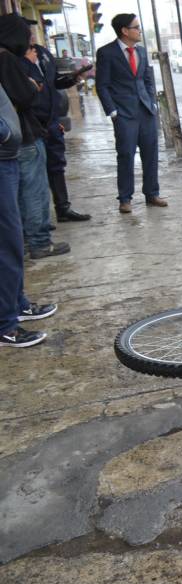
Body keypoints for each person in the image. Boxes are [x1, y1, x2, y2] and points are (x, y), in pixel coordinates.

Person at [0, 13, 70, 259]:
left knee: (24, 191)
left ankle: (31, 239)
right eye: (27, 34)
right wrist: (31, 83)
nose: (30, 40)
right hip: (23, 136)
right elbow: (24, 94)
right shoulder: (7, 59)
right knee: (33, 190)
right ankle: (39, 242)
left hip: (20, 135)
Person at [0, 68, 57, 348]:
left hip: (7, 156)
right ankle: (5, 324)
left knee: (12, 241)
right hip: (3, 155)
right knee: (6, 242)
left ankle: (15, 304)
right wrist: (4, 132)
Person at [95, 13, 166, 213]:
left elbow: (147, 79)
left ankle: (152, 194)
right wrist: (113, 112)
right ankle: (125, 198)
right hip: (124, 114)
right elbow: (102, 86)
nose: (139, 30)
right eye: (136, 27)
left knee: (151, 154)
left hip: (146, 111)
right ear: (125, 31)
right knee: (126, 155)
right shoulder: (106, 53)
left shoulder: (141, 51)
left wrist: (152, 103)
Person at [21, 25, 91, 224]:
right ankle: (36, 222)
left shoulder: (42, 53)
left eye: (33, 32)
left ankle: (63, 208)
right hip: (31, 123)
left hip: (51, 121)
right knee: (33, 173)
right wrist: (28, 63)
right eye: (28, 32)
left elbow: (54, 83)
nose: (32, 35)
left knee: (56, 165)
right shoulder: (14, 58)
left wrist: (73, 78)